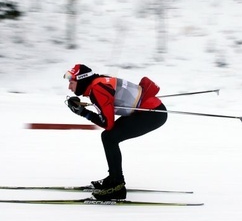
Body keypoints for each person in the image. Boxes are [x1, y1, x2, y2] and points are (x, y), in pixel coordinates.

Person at [64, 64, 168, 200]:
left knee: (109, 137)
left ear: (82, 80)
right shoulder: (98, 82)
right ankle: (114, 179)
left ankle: (117, 186)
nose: (69, 87)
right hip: (149, 110)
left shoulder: (97, 89)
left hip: (152, 113)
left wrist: (84, 113)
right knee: (109, 137)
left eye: (71, 83)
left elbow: (108, 124)